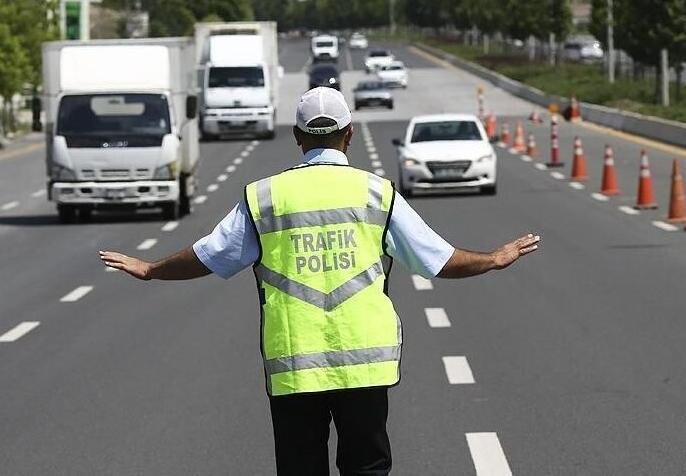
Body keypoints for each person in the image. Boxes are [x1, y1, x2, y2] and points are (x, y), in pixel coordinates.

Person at [99, 87, 540, 475]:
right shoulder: (376, 192)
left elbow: (211, 256)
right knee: (366, 467)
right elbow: (438, 260)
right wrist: (494, 259)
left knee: (300, 467)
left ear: (297, 138)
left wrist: (151, 269)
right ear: (348, 135)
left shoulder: (266, 196)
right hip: (365, 364)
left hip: (295, 364)